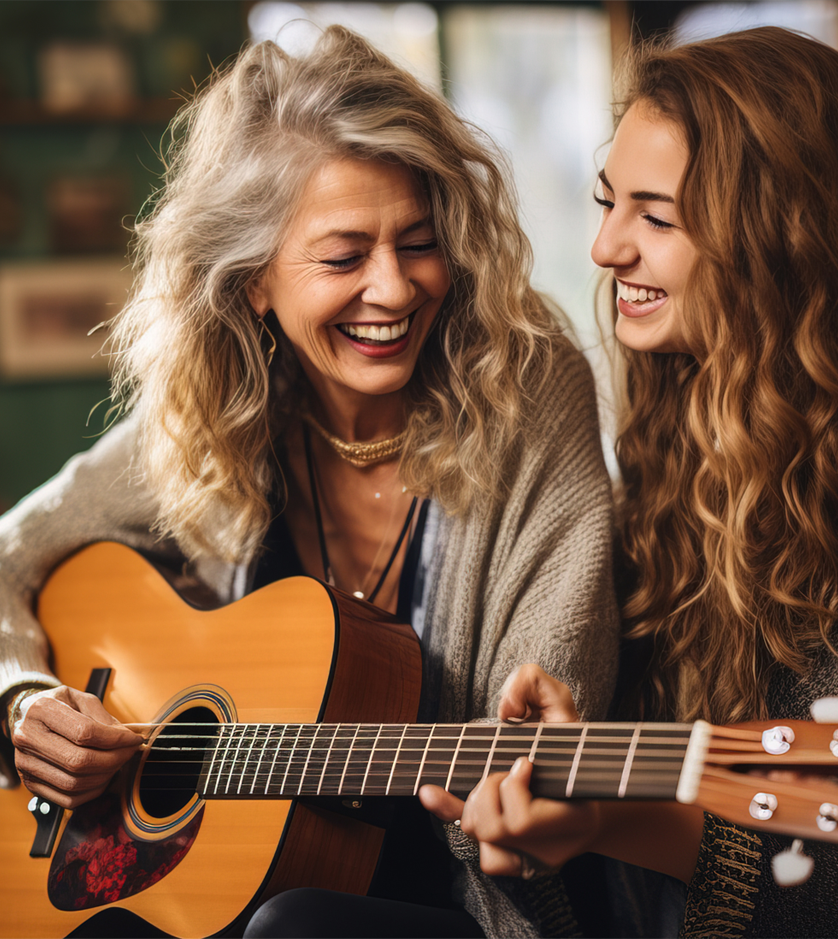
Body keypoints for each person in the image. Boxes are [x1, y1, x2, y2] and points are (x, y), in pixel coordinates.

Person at [420, 27, 838, 937]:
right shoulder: (687, 386)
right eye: (606, 201)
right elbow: (700, 741)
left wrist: (618, 819)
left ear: (781, 233)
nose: (604, 246)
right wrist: (585, 744)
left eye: (656, 217)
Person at [0, 27, 619, 938]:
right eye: (342, 258)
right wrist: (23, 698)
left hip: (472, 903)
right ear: (253, 280)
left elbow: (553, 690)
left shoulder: (529, 386)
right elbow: (13, 548)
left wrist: (527, 804)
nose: (396, 289)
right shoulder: (223, 416)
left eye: (418, 242)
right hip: (247, 887)